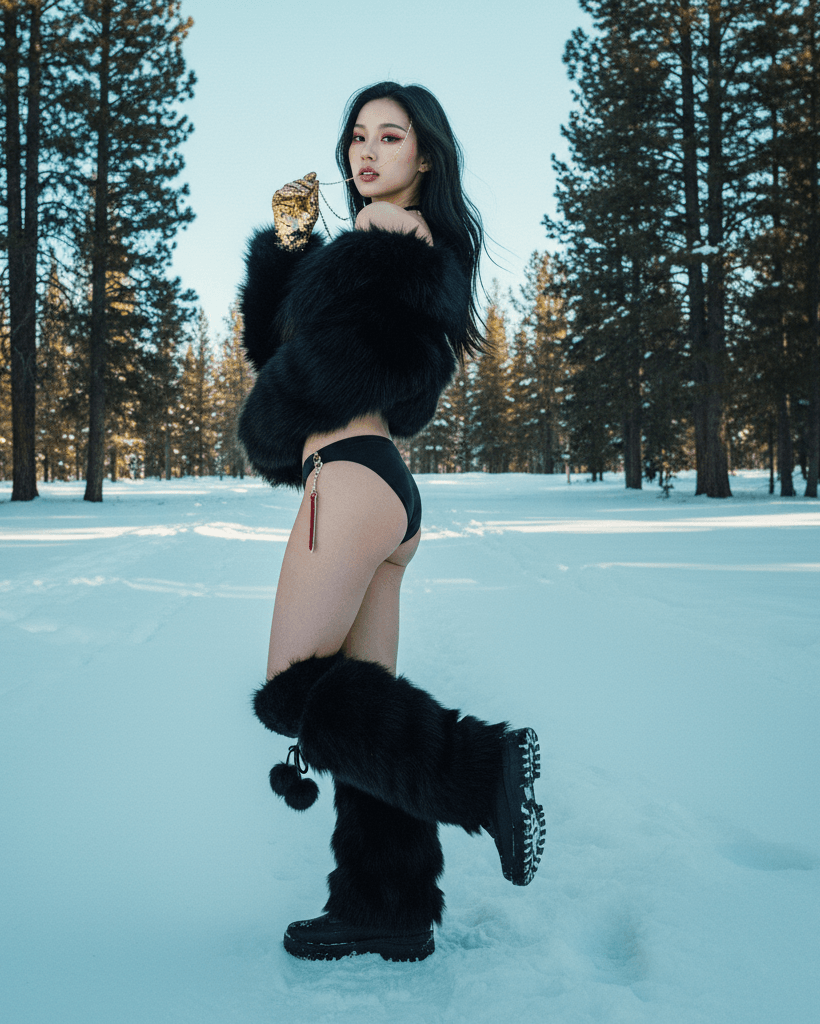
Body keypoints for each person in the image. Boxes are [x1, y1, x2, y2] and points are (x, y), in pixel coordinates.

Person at [239, 82, 544, 962]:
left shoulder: (392, 240)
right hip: (382, 490)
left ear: (426, 157)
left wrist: (319, 276)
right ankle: (388, 904)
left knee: (294, 686)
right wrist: (293, 252)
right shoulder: (400, 248)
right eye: (357, 137)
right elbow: (291, 347)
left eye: (390, 137)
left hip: (350, 481)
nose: (365, 153)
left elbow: (316, 368)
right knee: (363, 706)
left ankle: (483, 769)